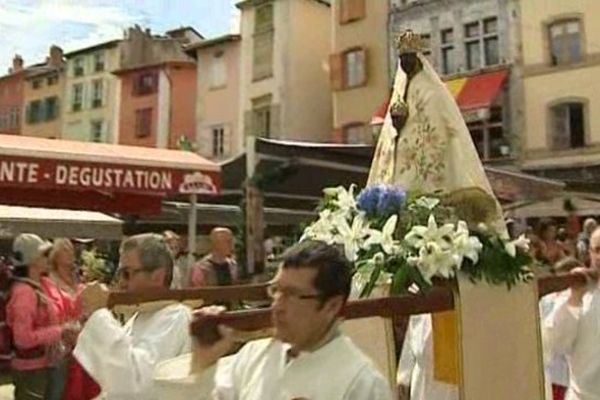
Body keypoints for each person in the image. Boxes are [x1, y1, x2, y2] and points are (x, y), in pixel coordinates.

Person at [157, 240, 394, 399]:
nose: (277, 306)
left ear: (331, 306)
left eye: (291, 295)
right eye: (276, 291)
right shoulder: (253, 356)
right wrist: (204, 363)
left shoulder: (362, 382)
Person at [73, 233, 192, 400]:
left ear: (157, 276)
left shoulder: (176, 316)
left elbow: (134, 384)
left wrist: (98, 315)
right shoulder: (138, 316)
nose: (121, 282)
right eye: (119, 274)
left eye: (127, 273)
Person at [6, 234, 79, 400]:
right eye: (44, 254)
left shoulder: (36, 286)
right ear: (33, 260)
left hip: (40, 366)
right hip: (31, 370)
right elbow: (22, 339)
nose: (49, 258)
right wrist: (59, 331)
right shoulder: (24, 293)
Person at [543, 227, 600, 400]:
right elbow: (556, 345)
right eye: (598, 250)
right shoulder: (576, 294)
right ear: (589, 252)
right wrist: (575, 299)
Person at [41, 238, 84, 400]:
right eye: (65, 249)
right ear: (56, 255)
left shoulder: (76, 278)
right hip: (60, 344)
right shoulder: (48, 280)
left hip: (79, 342)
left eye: (71, 248)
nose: (70, 252)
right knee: (58, 389)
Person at [397, 314, 458, 400]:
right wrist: (403, 378)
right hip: (421, 382)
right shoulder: (420, 312)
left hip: (449, 383)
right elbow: (410, 344)